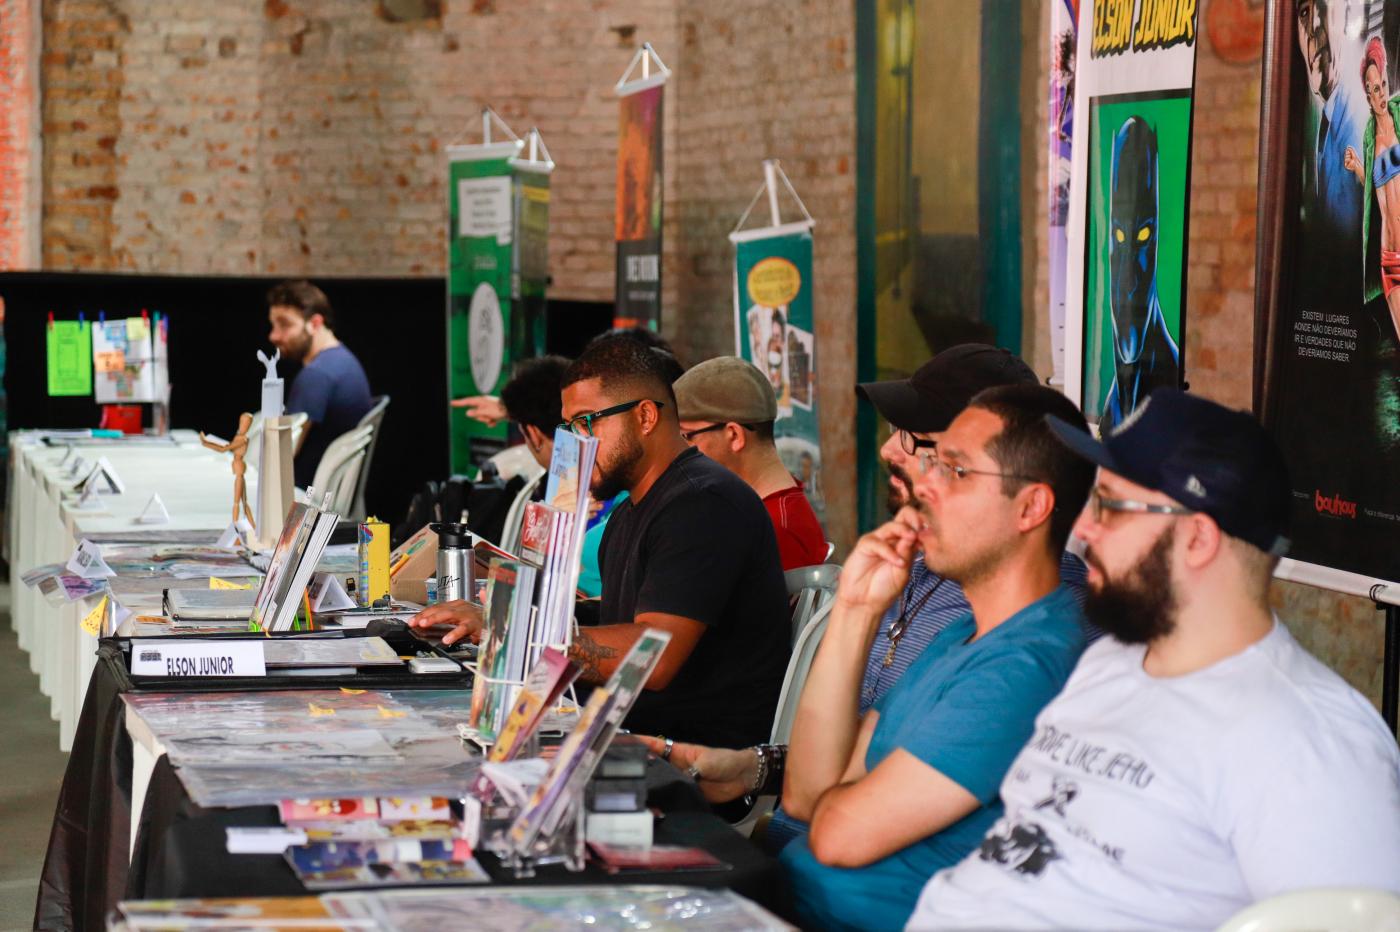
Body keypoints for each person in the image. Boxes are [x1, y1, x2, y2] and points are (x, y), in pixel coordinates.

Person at [907, 389, 1400, 930]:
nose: (1085, 529)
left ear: (1198, 540)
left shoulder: (1310, 745)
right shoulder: (1110, 663)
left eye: (1113, 507)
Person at [644, 346, 1089, 832]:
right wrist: (750, 768)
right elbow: (844, 768)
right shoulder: (927, 583)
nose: (889, 451)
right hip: (795, 843)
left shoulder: (1021, 643)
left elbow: (839, 827)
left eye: (952, 464)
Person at [778, 384, 1096, 931]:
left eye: (955, 470)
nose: (924, 486)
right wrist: (855, 609)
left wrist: (843, 797)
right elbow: (806, 797)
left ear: (1031, 507)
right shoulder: (960, 636)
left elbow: (834, 835)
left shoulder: (1031, 664)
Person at [412, 336, 790, 749]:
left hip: (683, 756)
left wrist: (517, 634)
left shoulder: (704, 503)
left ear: (646, 416)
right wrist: (504, 613)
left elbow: (654, 655)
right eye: (569, 427)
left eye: (587, 422)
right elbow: (619, 616)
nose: (575, 443)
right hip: (619, 728)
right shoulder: (633, 509)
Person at [673, 356, 826, 570]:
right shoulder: (763, 512)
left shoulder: (774, 528)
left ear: (734, 435)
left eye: (687, 436)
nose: (679, 451)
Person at [266, 280, 373, 488]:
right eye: (273, 325)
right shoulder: (343, 361)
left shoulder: (317, 375)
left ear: (314, 323)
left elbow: (280, 457)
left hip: (304, 502)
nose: (274, 336)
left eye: (285, 325)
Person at [1344, 36, 1400, 342]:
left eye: (1383, 85)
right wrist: (1358, 169)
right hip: (1389, 256)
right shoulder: (1369, 138)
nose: (1381, 94)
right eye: (1374, 89)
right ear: (1367, 95)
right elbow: (1373, 191)